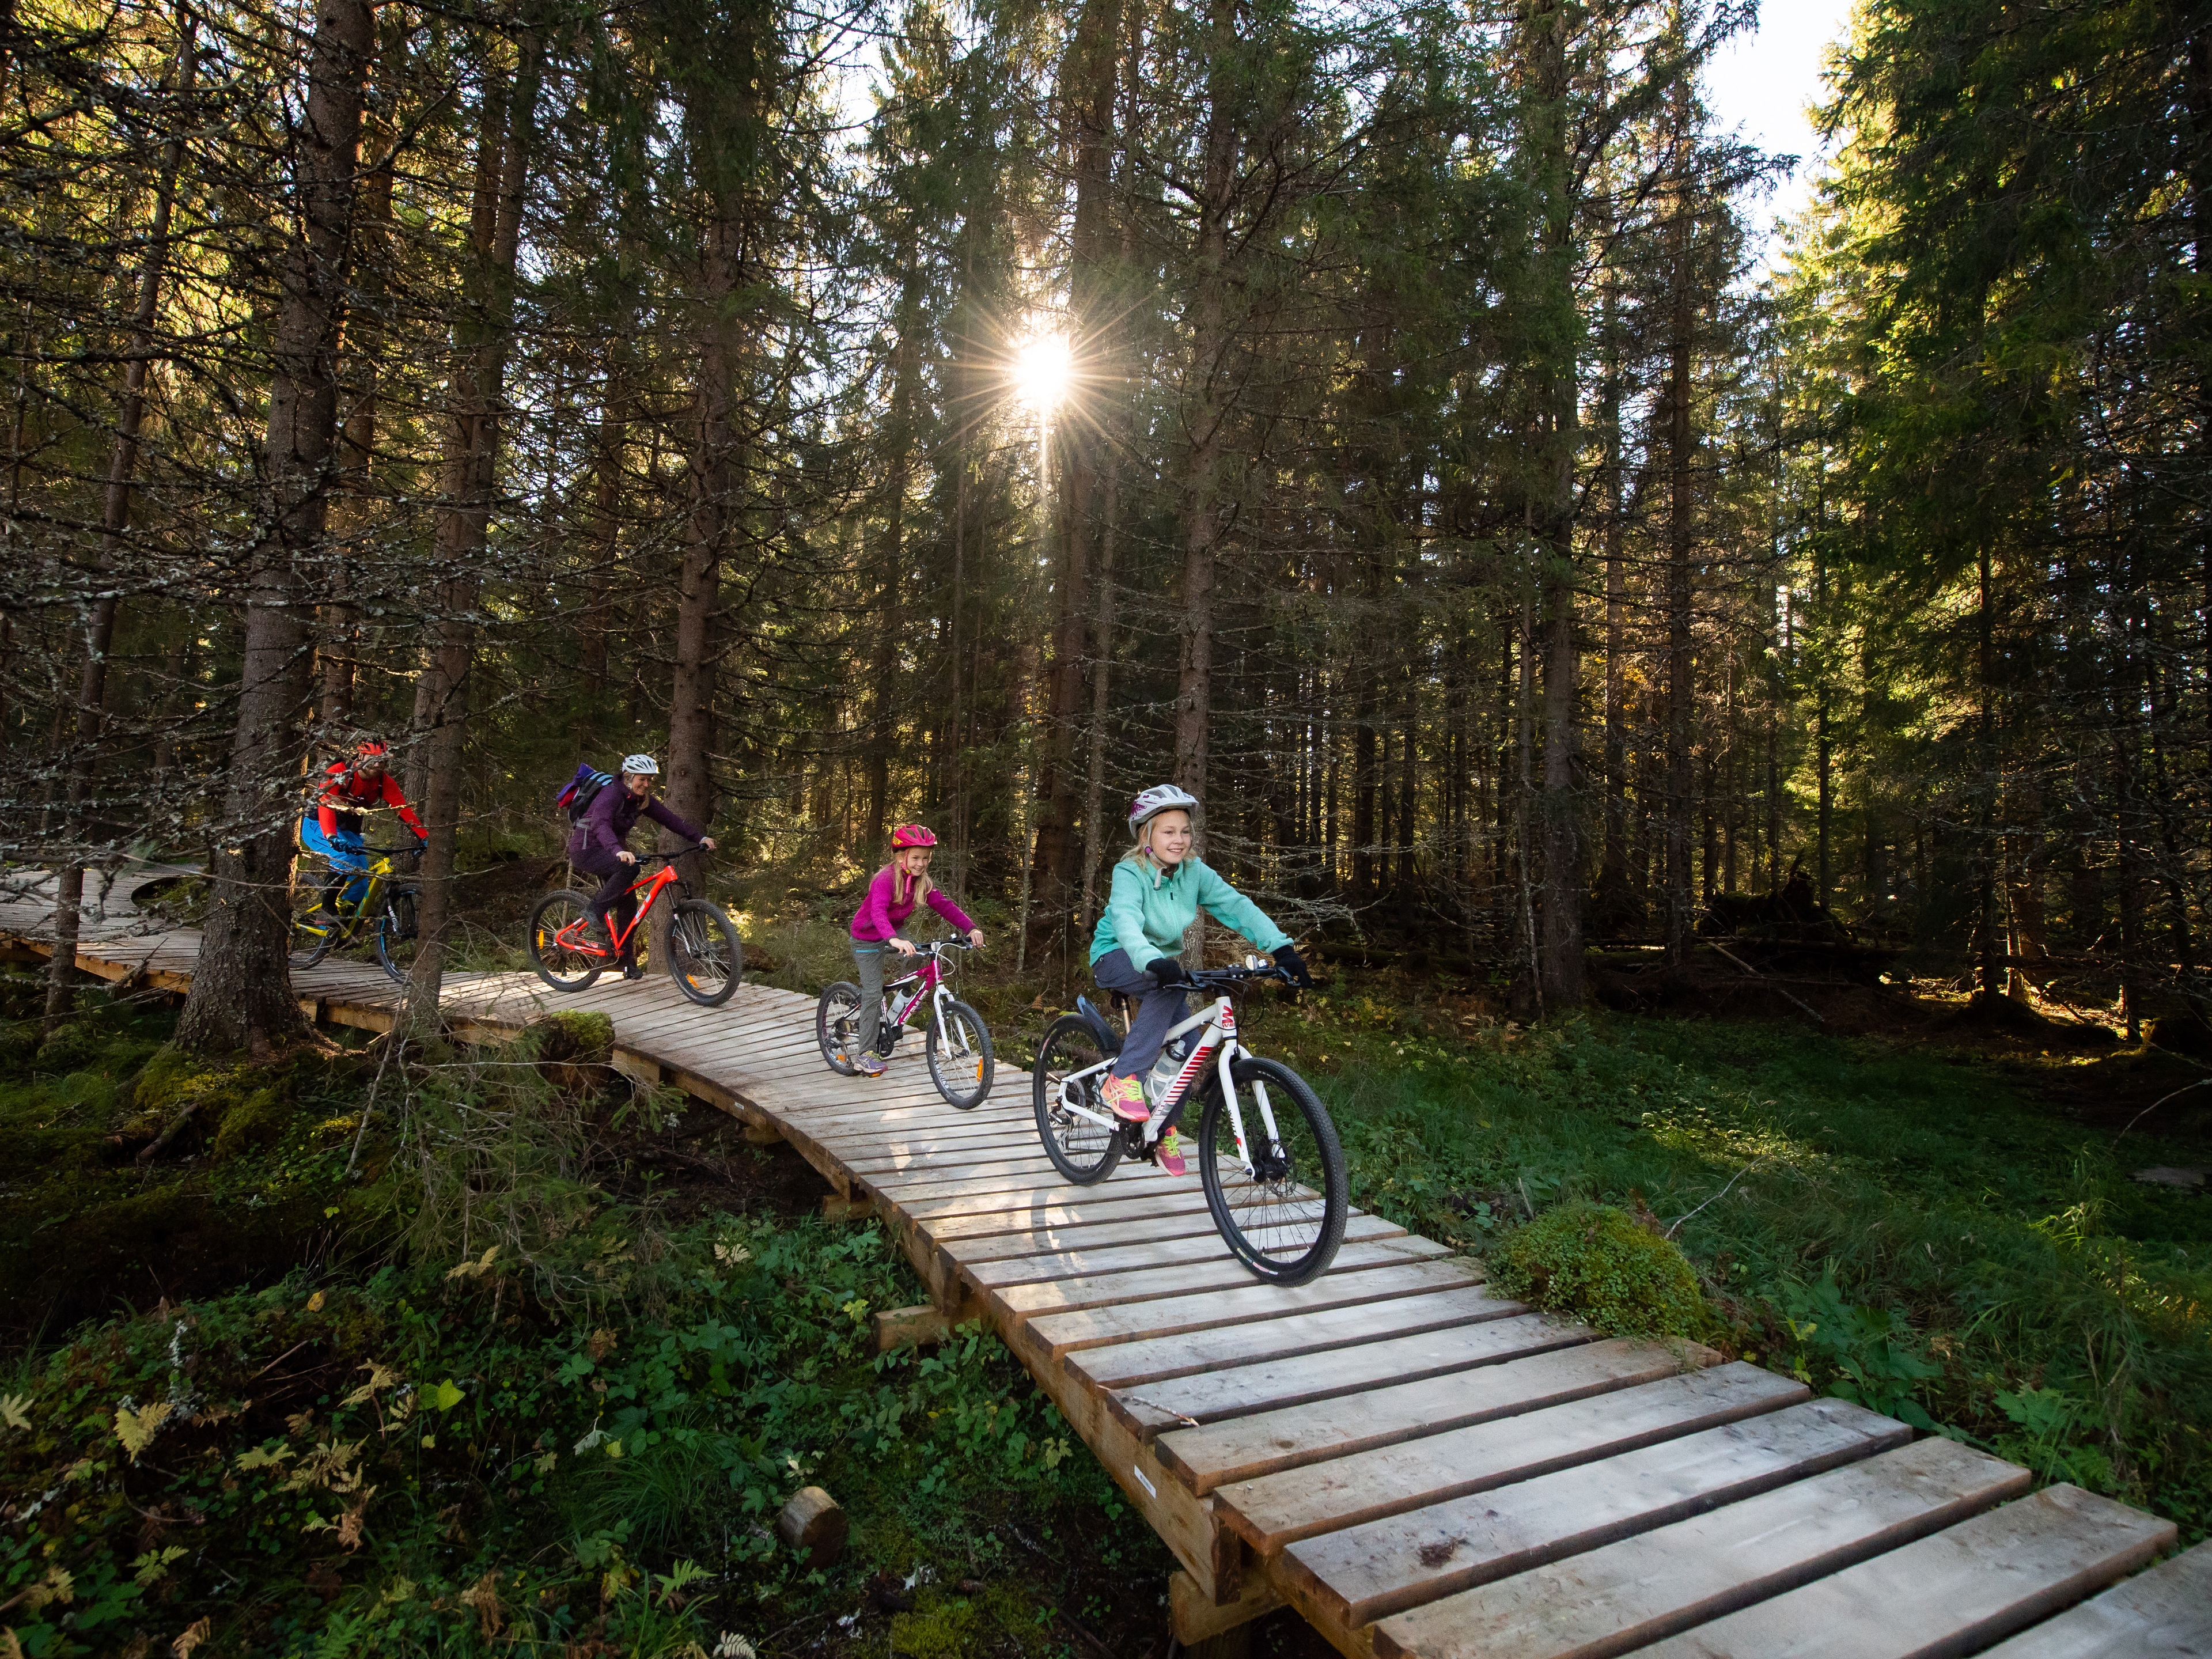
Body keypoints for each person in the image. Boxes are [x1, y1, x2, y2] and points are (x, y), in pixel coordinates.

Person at [1089, 785, 1311, 1175]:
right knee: (1165, 985)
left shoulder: (1194, 873)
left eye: (1185, 831)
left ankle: (1160, 1128)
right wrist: (1150, 960)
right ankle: (1122, 1079)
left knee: (1190, 1051)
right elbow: (1125, 919)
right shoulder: (1129, 871)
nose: (1179, 840)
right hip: (1118, 955)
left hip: (1161, 967)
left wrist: (1281, 949)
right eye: (1168, 831)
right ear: (1147, 834)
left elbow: (1235, 905)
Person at [846, 825, 984, 1077]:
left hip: (893, 934)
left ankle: (903, 999)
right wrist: (893, 939)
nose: (922, 863)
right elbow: (877, 912)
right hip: (866, 938)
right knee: (874, 994)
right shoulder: (885, 879)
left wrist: (971, 928)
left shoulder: (922, 883)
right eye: (916, 858)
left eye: (926, 858)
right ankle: (864, 1055)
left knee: (920, 956)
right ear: (902, 858)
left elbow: (945, 906)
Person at [566, 754, 717, 980]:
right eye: (642, 780)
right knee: (631, 869)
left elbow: (670, 820)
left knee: (629, 903)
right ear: (629, 777)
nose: (646, 785)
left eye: (649, 781)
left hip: (612, 850)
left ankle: (626, 963)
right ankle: (593, 911)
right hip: (587, 850)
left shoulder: (641, 799)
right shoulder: (610, 795)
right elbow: (600, 824)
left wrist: (700, 838)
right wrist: (618, 851)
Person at [301, 738, 426, 917]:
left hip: (349, 829)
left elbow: (403, 810)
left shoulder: (384, 782)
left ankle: (348, 921)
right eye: (372, 758)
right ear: (361, 756)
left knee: (360, 875)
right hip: (318, 823)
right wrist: (331, 836)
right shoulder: (339, 772)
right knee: (342, 856)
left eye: (382, 761)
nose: (377, 764)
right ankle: (326, 911)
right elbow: (325, 805)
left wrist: (424, 836)